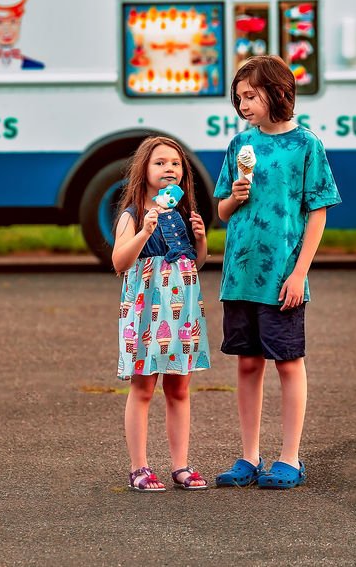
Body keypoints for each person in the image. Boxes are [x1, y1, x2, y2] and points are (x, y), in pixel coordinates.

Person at [213, 55, 340, 489]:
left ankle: (290, 457)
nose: (244, 104)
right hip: (240, 275)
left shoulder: (307, 145)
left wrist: (298, 274)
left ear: (278, 92)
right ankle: (248, 457)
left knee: (288, 362)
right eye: (239, 97)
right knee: (248, 364)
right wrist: (235, 195)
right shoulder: (239, 145)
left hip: (282, 275)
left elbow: (318, 212)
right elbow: (223, 210)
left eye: (251, 96)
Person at [112, 136, 211, 492]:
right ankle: (138, 467)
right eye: (160, 162)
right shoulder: (133, 214)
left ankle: (180, 465)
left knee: (179, 388)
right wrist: (144, 231)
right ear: (144, 170)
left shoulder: (184, 213)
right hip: (146, 309)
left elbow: (192, 265)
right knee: (143, 387)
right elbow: (120, 261)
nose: (169, 168)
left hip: (181, 309)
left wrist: (200, 241)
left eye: (175, 163)